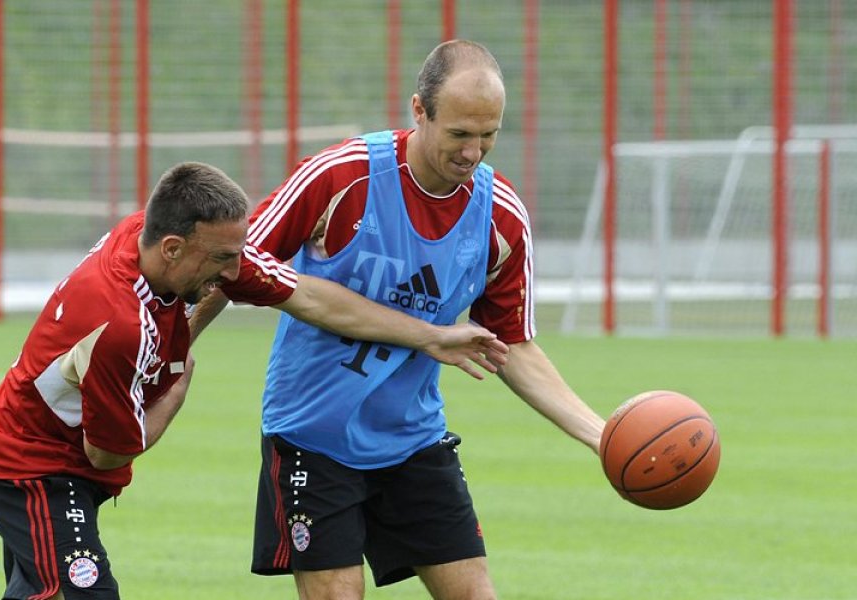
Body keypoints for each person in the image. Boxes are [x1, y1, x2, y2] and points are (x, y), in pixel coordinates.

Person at [0, 161, 508, 600]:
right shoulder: (118, 328)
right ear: (174, 248)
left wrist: (429, 336)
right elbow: (106, 454)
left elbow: (309, 296)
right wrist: (174, 396)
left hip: (60, 454)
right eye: (223, 258)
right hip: (32, 464)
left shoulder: (150, 234)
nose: (233, 274)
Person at [243, 40, 607, 599]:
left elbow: (513, 345)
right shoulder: (344, 178)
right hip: (313, 436)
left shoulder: (501, 217)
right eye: (459, 134)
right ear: (419, 111)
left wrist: (602, 437)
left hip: (412, 438)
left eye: (488, 136)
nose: (474, 152)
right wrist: (173, 354)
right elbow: (236, 259)